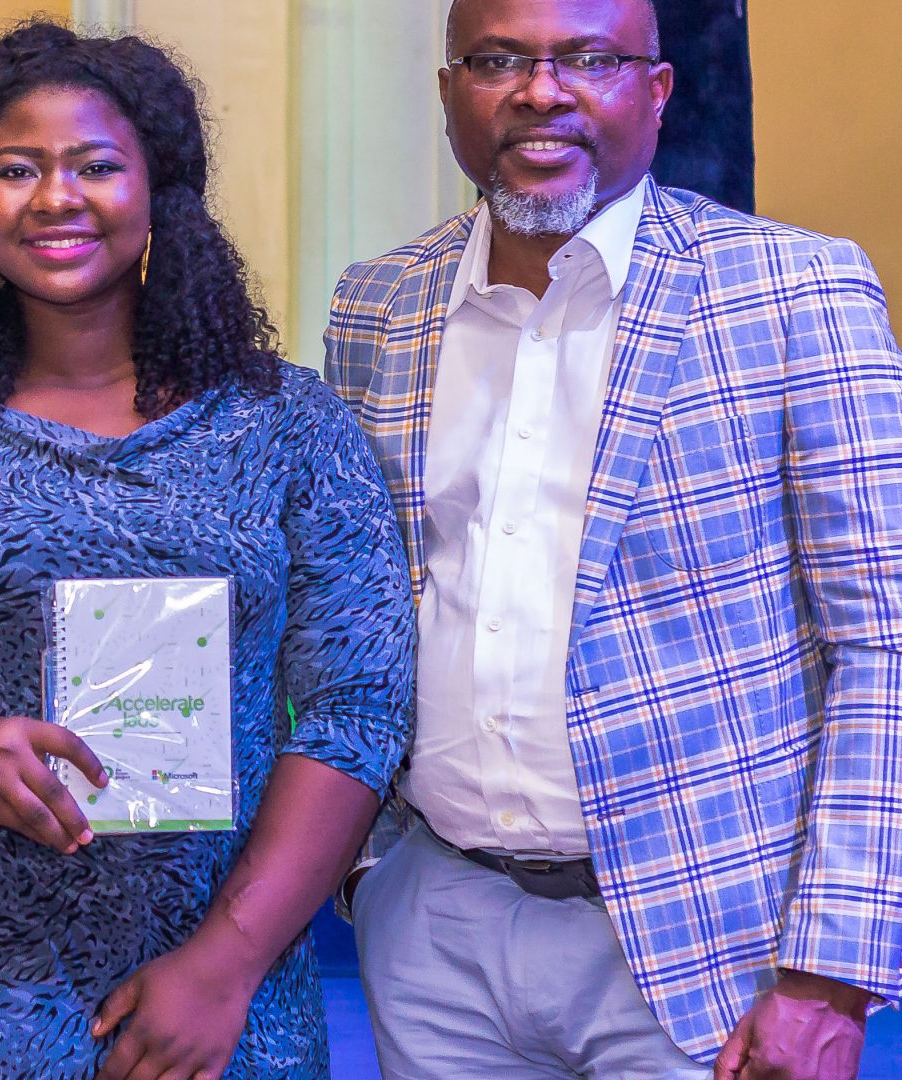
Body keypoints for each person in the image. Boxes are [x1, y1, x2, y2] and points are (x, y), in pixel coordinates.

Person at [0, 22, 417, 1080]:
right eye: (15, 169)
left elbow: (358, 713)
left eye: (95, 166)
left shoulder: (288, 425)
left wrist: (225, 964)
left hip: (229, 1015)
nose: (55, 197)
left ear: (159, 189)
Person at [326, 0, 902, 1076]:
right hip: (435, 927)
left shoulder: (795, 290)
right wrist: (374, 873)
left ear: (658, 89)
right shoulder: (378, 303)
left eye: (589, 58)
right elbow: (361, 608)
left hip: (712, 946)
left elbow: (884, 644)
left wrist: (831, 970)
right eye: (498, 59)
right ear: (449, 90)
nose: (541, 92)